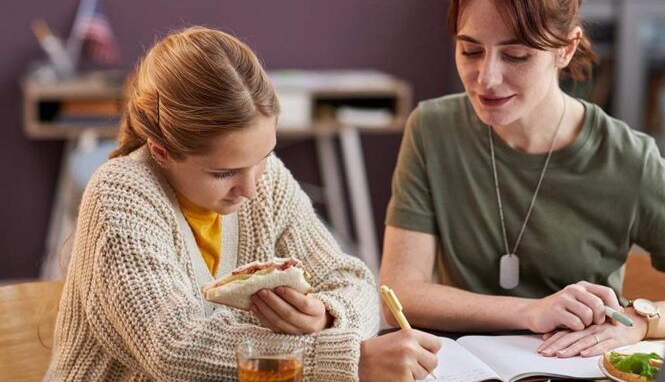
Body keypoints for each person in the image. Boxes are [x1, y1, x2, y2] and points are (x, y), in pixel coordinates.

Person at [380, 0, 665, 359]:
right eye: (470, 50)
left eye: (516, 56)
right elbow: (401, 293)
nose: (487, 78)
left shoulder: (627, 159)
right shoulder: (432, 128)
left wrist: (641, 319)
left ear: (566, 49)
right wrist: (531, 312)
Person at [46, 27, 439, 381]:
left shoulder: (266, 181)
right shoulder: (121, 195)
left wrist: (325, 314)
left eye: (264, 156)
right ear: (161, 151)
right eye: (223, 173)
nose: (250, 188)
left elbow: (354, 280)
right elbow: (175, 348)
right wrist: (349, 360)